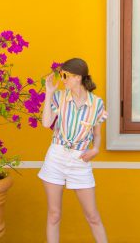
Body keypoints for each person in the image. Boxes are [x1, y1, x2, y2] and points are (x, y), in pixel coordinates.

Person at [38, 58, 108, 243]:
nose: (62, 79)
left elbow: (97, 134)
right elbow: (46, 123)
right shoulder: (59, 97)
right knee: (54, 214)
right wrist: (49, 93)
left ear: (77, 77)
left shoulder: (96, 104)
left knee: (92, 216)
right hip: (56, 156)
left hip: (80, 160)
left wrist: (96, 149)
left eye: (65, 75)